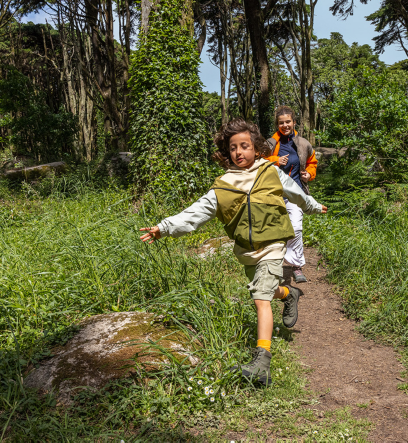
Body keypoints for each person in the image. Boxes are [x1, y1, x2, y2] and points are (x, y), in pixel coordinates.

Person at [139, 118, 327, 386]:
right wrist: (164, 227)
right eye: (233, 148)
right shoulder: (224, 185)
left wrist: (313, 206)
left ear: (257, 148)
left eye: (245, 146)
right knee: (266, 289)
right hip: (247, 251)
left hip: (274, 244)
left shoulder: (270, 172)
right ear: (226, 152)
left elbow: (296, 194)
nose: (239, 152)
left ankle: (262, 361)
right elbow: (195, 213)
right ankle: (289, 293)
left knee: (260, 298)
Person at [265, 106, 318, 283]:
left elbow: (312, 161)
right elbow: (257, 160)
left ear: (294, 122)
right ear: (277, 124)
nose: (285, 125)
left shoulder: (303, 143)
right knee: (274, 232)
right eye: (281, 123)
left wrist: (309, 174)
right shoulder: (270, 144)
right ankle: (273, 267)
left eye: (288, 122)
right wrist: (275, 160)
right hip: (273, 194)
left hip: (296, 193)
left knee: (295, 228)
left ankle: (296, 266)